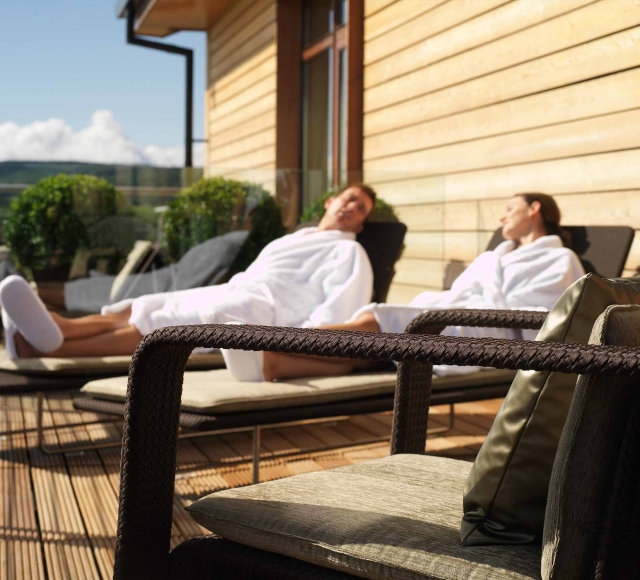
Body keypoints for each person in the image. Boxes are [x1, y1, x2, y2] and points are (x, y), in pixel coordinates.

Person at [222, 192, 586, 382]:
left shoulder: (561, 259)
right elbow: (462, 291)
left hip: (496, 333)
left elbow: (550, 317)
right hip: (463, 316)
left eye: (510, 208)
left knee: (380, 320)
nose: (502, 216)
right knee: (378, 345)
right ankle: (273, 363)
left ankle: (272, 340)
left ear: (535, 209)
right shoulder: (497, 255)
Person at [1, 184, 377, 359]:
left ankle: (46, 346)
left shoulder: (350, 252)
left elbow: (342, 309)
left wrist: (301, 342)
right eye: (349, 199)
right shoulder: (292, 239)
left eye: (360, 209)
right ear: (330, 201)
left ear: (360, 223)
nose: (351, 208)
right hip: (236, 291)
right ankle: (60, 327)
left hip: (262, 312)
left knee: (167, 323)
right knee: (144, 303)